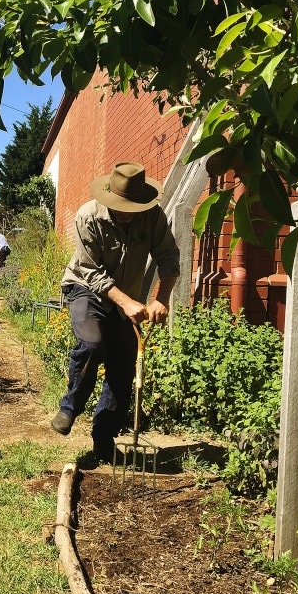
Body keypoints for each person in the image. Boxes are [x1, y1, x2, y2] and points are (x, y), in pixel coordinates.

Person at [49, 161, 180, 460]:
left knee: (122, 366)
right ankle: (70, 407)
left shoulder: (152, 217)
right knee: (93, 344)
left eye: (131, 207)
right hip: (85, 288)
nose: (125, 212)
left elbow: (168, 255)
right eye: (120, 205)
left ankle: (104, 440)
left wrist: (162, 298)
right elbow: (91, 273)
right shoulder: (88, 216)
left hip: (127, 299)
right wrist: (126, 302)